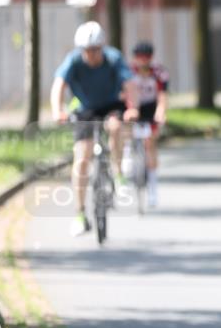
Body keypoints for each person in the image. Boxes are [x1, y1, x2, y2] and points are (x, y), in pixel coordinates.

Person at [51, 21, 139, 236]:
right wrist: (57, 110)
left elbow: (130, 85)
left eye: (95, 50)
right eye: (87, 51)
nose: (91, 55)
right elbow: (59, 85)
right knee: (81, 159)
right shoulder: (73, 61)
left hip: (111, 104)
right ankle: (80, 214)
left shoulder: (113, 58)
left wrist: (132, 108)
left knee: (116, 127)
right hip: (85, 108)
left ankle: (118, 175)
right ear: (81, 50)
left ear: (102, 47)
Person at [125, 41, 168, 207]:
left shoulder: (159, 72)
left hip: (151, 107)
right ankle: (127, 154)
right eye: (139, 57)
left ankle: (152, 187)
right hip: (132, 105)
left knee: (150, 143)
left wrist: (161, 112)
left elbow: (163, 96)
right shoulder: (128, 72)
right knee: (125, 127)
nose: (143, 61)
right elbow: (122, 92)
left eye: (146, 57)